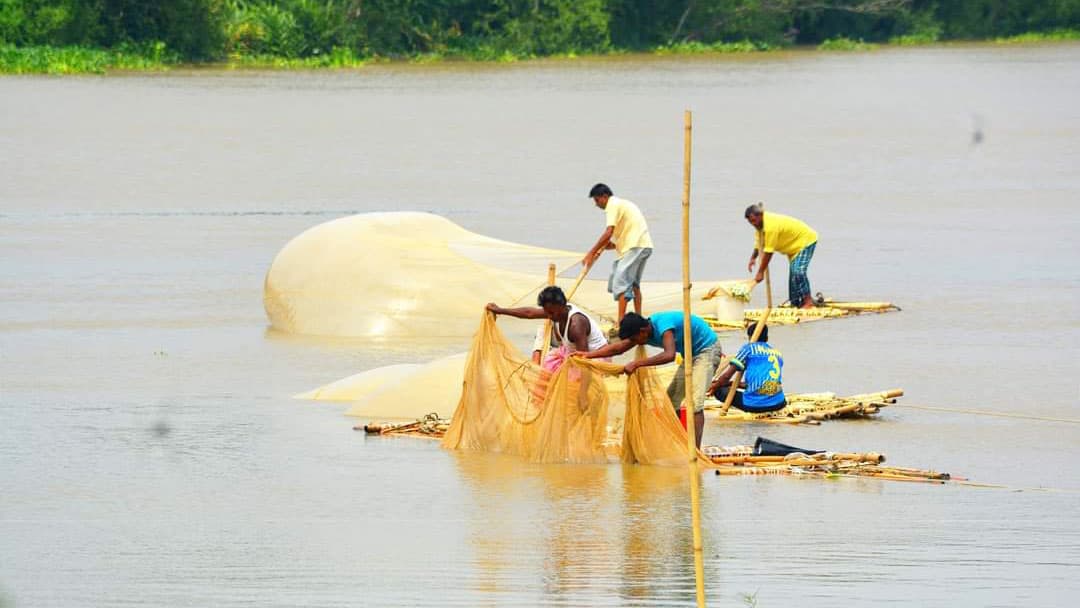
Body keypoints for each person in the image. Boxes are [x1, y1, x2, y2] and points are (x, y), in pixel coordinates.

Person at [580, 311, 721, 448]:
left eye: (635, 340)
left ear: (643, 331)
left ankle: (694, 451)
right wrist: (588, 355)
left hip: (707, 351)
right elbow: (618, 348)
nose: (635, 343)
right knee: (671, 402)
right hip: (689, 355)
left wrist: (637, 363)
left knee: (694, 404)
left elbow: (669, 355)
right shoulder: (643, 331)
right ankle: (681, 443)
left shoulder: (664, 327)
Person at [486, 285, 608, 371]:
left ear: (561, 306)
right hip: (574, 354)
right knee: (550, 365)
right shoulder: (556, 312)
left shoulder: (576, 324)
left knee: (571, 388)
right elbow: (529, 313)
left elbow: (584, 360)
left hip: (595, 357)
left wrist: (583, 394)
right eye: (546, 312)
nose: (548, 316)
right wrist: (501, 310)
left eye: (551, 313)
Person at [582, 183, 654, 323]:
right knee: (633, 284)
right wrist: (602, 249)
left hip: (636, 246)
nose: (596, 204)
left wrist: (591, 253)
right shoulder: (621, 205)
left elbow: (608, 232)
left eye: (597, 200)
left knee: (621, 280)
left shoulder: (612, 205)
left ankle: (621, 322)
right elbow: (614, 241)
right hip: (641, 246)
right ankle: (638, 320)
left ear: (604, 196)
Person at [745, 204, 818, 309]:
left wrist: (760, 272)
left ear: (760, 215)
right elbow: (759, 244)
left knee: (798, 272)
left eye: (754, 220)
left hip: (805, 241)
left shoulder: (771, 226)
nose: (753, 224)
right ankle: (795, 303)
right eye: (750, 222)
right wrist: (753, 258)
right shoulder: (759, 227)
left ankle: (808, 302)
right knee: (793, 275)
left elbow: (769, 252)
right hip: (792, 247)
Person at [707, 323, 786, 413]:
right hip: (779, 403)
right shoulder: (777, 354)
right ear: (767, 338)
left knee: (720, 391)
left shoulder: (748, 349)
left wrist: (714, 386)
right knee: (725, 385)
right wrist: (729, 383)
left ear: (750, 337)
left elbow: (726, 376)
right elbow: (760, 384)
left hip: (755, 405)